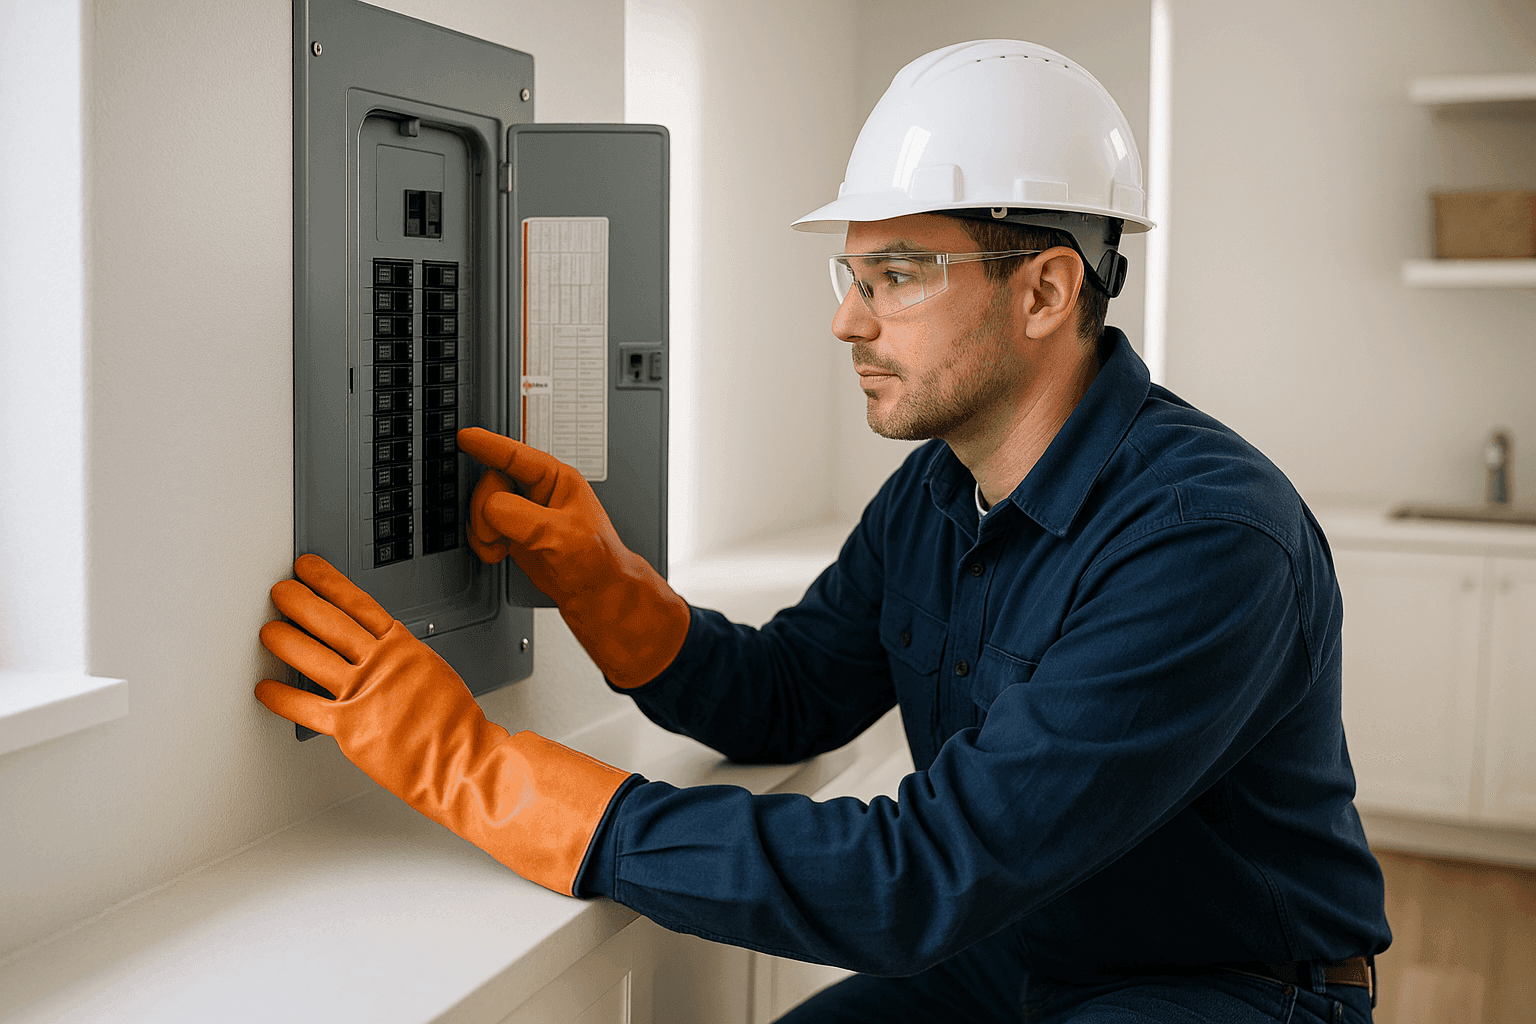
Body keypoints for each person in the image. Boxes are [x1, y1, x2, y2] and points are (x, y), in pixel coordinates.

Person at [256, 40, 1389, 1022]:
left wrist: (483, 772)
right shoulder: (938, 493)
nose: (846, 319)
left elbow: (925, 874)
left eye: (896, 275)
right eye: (851, 271)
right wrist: (609, 587)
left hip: (1225, 988)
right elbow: (791, 693)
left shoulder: (1205, 539)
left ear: (1045, 292)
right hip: (1021, 954)